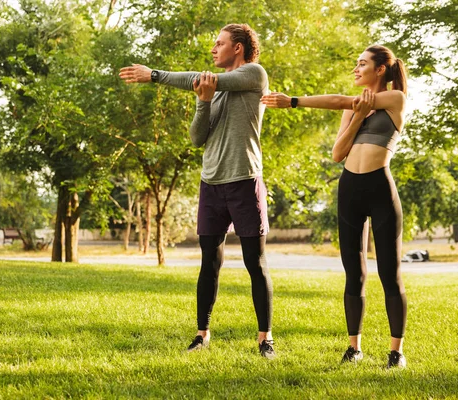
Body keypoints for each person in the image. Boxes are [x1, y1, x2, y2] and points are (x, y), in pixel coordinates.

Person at [119, 24, 275, 359]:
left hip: (244, 179)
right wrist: (202, 102)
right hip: (211, 183)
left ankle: (265, 339)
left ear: (238, 47)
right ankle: (202, 334)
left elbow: (203, 78)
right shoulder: (212, 90)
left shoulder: (254, 75)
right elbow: (196, 138)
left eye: (219, 44)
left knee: (255, 263)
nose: (213, 49)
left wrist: (155, 75)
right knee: (210, 262)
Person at [261, 45, 408, 368]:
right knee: (353, 274)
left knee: (389, 274)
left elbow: (341, 99)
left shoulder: (395, 100)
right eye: (355, 64)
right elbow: (337, 153)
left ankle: (396, 352)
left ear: (381, 69)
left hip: (380, 188)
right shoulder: (352, 108)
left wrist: (294, 101)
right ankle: (354, 347)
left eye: (362, 64)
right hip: (350, 189)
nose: (356, 69)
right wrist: (357, 116)